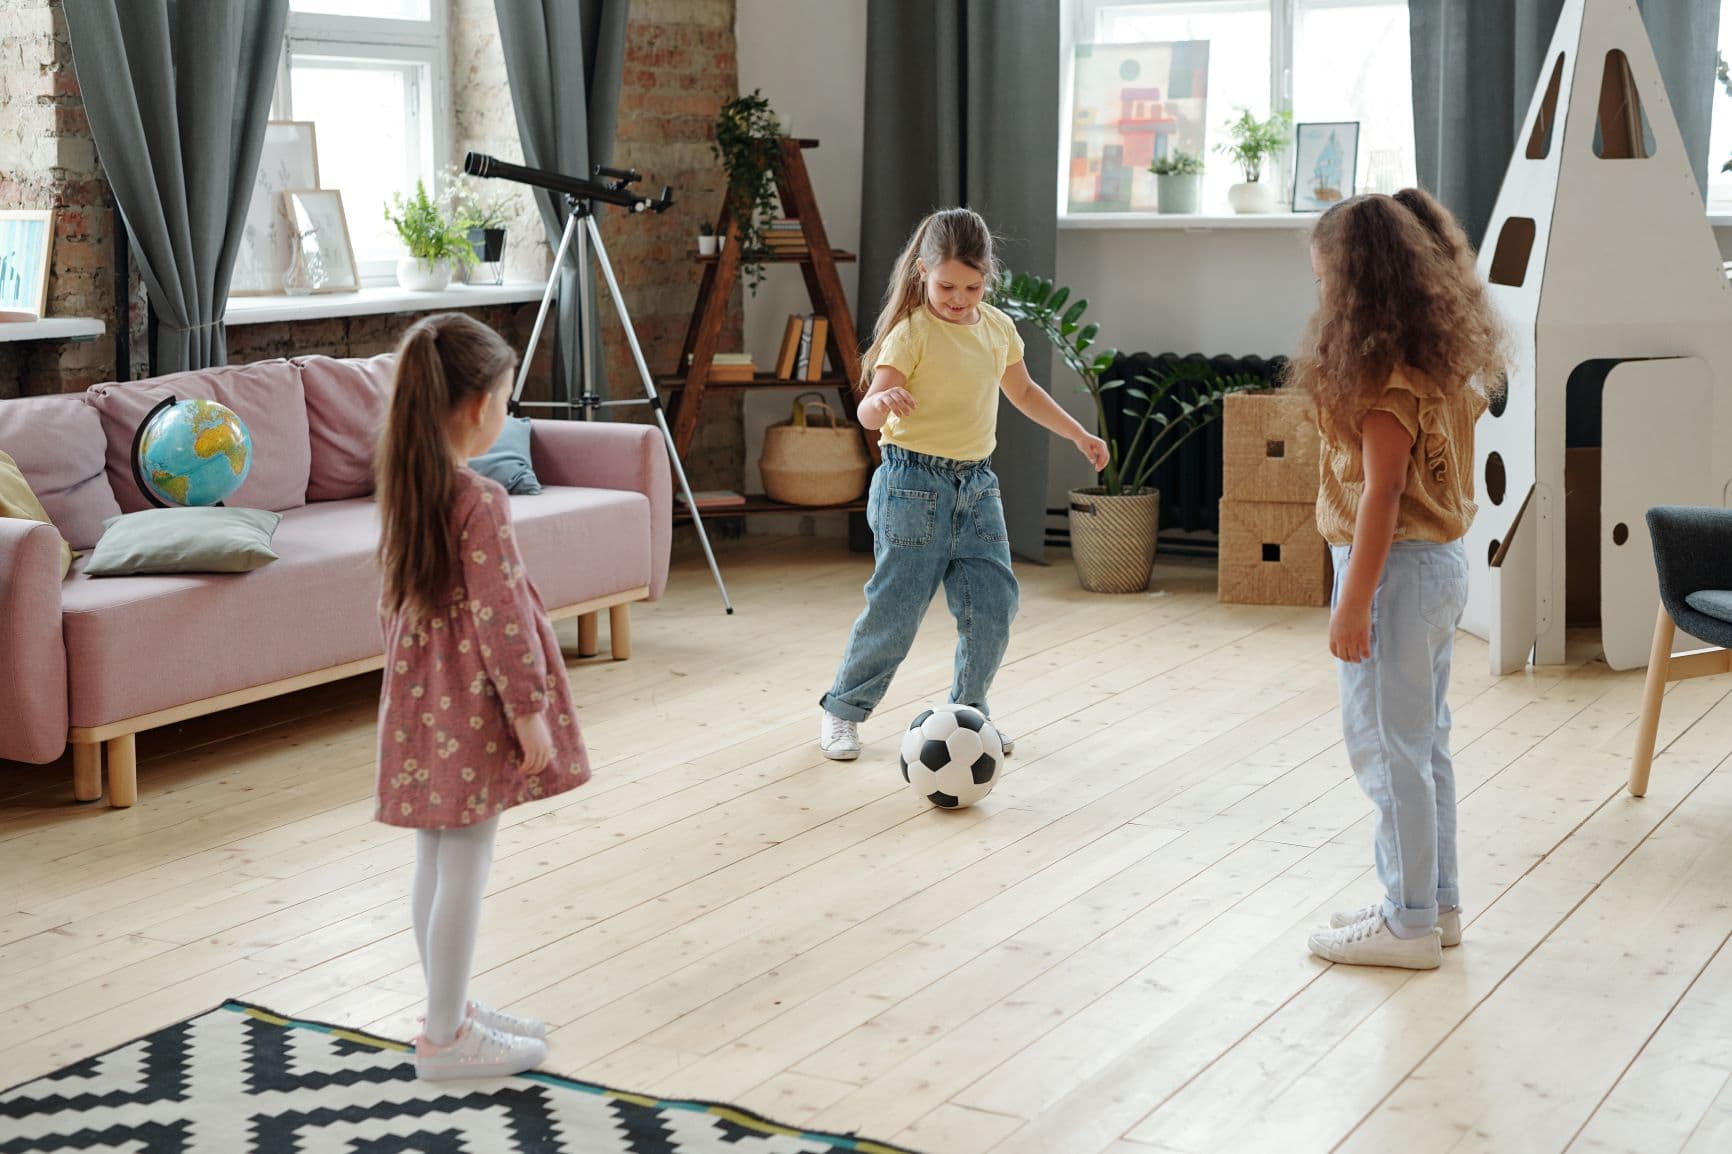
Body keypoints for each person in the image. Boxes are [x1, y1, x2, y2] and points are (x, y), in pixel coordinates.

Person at [1293, 189, 1504, 969]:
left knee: (1386, 749)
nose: (1320, 297)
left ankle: (1406, 922)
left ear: (1358, 285)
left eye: (1326, 282)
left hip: (1394, 573)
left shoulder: (1384, 381)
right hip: (1437, 568)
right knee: (1423, 745)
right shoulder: (1439, 359)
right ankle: (1432, 903)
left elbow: (1381, 493)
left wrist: (1352, 605)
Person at [374, 312, 590, 1076]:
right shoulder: (478, 499)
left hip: (423, 692)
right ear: (478, 409)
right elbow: (502, 618)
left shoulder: (407, 484)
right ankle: (444, 1038)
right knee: (467, 858)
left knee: (436, 855)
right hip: (474, 699)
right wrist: (528, 711)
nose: (508, 411)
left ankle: (447, 1004)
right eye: (507, 399)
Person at [818, 207, 1111, 760]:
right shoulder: (911, 333)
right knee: (896, 609)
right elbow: (869, 414)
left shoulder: (998, 328)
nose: (958, 297)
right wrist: (881, 402)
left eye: (972, 286)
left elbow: (1023, 394)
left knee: (994, 604)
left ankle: (969, 714)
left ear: (987, 278)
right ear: (922, 273)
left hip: (977, 486)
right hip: (912, 485)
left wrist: (1077, 434)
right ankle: (842, 711)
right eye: (947, 284)